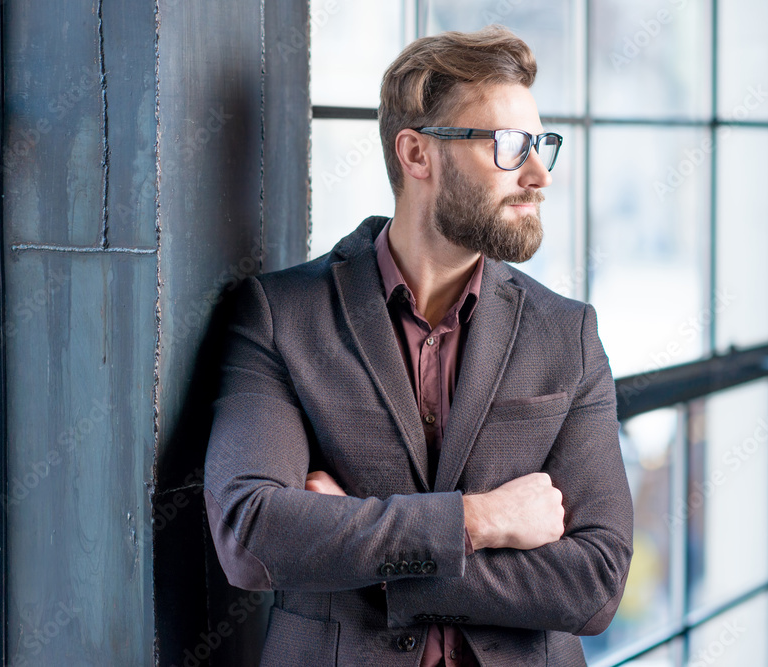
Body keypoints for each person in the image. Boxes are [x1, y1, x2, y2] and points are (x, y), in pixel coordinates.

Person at [204, 25, 633, 667]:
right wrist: (478, 521)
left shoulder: (566, 333)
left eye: (541, 144)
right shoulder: (280, 316)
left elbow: (595, 582)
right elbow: (253, 531)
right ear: (416, 154)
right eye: (510, 146)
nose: (540, 174)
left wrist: (367, 556)